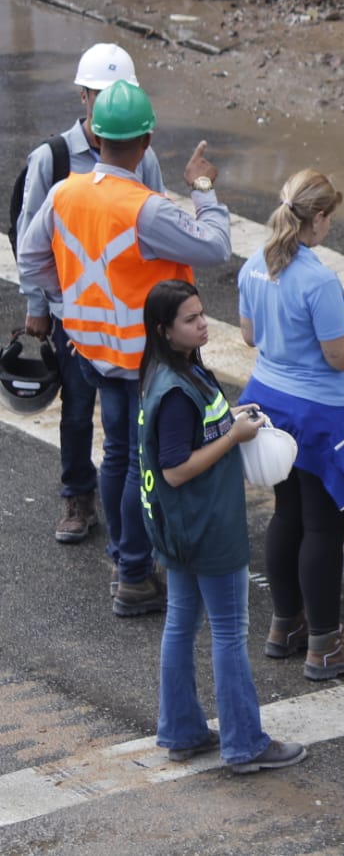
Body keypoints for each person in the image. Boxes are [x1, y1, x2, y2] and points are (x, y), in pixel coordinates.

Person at [18, 80, 232, 617]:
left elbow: (30, 255)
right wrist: (203, 188)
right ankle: (133, 573)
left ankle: (124, 559)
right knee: (143, 464)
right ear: (147, 140)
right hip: (146, 359)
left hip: (94, 351)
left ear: (95, 133)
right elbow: (215, 245)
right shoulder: (148, 209)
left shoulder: (66, 193)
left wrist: (68, 301)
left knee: (117, 453)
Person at [137, 279, 307, 774]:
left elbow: (190, 435)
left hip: (181, 527)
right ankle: (245, 744)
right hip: (206, 525)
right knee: (229, 633)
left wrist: (229, 420)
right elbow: (175, 467)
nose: (203, 323)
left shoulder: (171, 370)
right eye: (191, 320)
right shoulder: (174, 388)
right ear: (165, 331)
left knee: (181, 624)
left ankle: (182, 731)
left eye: (202, 313)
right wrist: (233, 436)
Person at [15, 43, 165, 547]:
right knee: (79, 410)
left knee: (126, 427)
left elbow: (156, 224)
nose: (108, 105)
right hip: (75, 318)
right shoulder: (53, 159)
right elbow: (28, 239)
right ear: (82, 97)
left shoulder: (142, 157)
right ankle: (78, 495)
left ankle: (136, 513)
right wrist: (44, 305)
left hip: (126, 321)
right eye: (99, 95)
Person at [239, 170, 344, 681]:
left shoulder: (256, 264)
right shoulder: (319, 279)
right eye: (330, 217)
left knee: (287, 516)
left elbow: (249, 334)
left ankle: (286, 626)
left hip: (269, 403)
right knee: (324, 527)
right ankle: (325, 646)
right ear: (317, 219)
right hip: (321, 416)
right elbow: (342, 355)